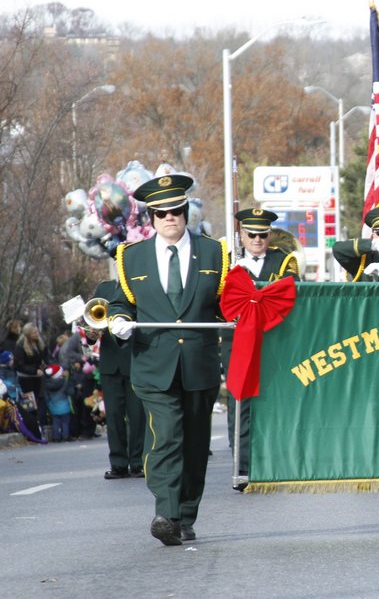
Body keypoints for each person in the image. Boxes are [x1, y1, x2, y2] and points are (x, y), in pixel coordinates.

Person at [107, 173, 227, 546]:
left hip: (198, 363)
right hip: (153, 364)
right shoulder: (131, 256)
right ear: (151, 218)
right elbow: (120, 302)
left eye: (176, 210)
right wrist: (119, 320)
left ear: (186, 211)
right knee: (167, 436)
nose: (170, 218)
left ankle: (185, 514)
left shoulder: (214, 253)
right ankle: (167, 513)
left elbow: (227, 304)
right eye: (161, 213)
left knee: (194, 442)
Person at [227, 208, 300, 483]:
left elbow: (291, 293)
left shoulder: (284, 261)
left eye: (262, 234)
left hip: (272, 340)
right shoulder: (229, 263)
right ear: (241, 236)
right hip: (238, 341)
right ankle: (242, 466)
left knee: (274, 400)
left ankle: (273, 463)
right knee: (240, 402)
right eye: (251, 234)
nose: (257, 240)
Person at [94, 279, 144, 479]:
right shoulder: (104, 287)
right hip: (110, 361)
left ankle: (138, 462)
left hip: (135, 357)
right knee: (113, 415)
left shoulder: (140, 282)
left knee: (137, 415)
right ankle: (118, 463)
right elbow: (94, 319)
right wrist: (90, 332)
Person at [14, 322, 47, 437]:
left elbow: (44, 357)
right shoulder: (20, 346)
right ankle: (32, 430)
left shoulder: (39, 343)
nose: (37, 334)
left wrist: (44, 366)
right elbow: (19, 365)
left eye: (37, 331)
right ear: (28, 334)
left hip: (38, 377)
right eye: (34, 332)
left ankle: (40, 426)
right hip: (25, 378)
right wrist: (33, 370)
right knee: (30, 405)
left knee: (40, 400)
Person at [42, 364, 72, 442]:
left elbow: (46, 396)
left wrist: (49, 403)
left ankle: (56, 437)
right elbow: (70, 392)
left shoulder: (47, 384)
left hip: (53, 406)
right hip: (64, 406)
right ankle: (65, 436)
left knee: (55, 422)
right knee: (65, 422)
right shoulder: (65, 382)